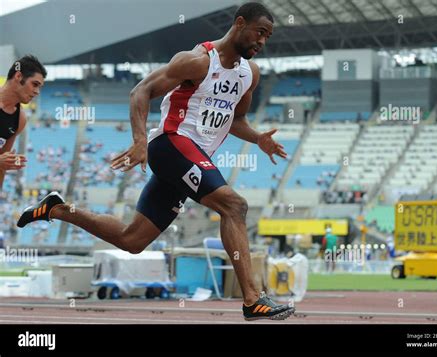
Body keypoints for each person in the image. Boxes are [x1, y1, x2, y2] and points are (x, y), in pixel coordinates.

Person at [17, 2, 294, 321]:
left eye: (268, 37)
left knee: (132, 240)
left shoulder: (250, 74)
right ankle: (252, 299)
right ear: (240, 23)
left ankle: (58, 209)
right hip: (170, 144)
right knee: (235, 206)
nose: (262, 42)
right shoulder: (196, 61)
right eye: (260, 33)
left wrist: (258, 137)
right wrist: (139, 142)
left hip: (192, 157)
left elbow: (236, 119)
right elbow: (141, 90)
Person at [0, 55, 46, 189]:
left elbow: (2, 166)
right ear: (18, 76)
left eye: (40, 87)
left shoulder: (20, 118)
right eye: (35, 84)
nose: (37, 92)